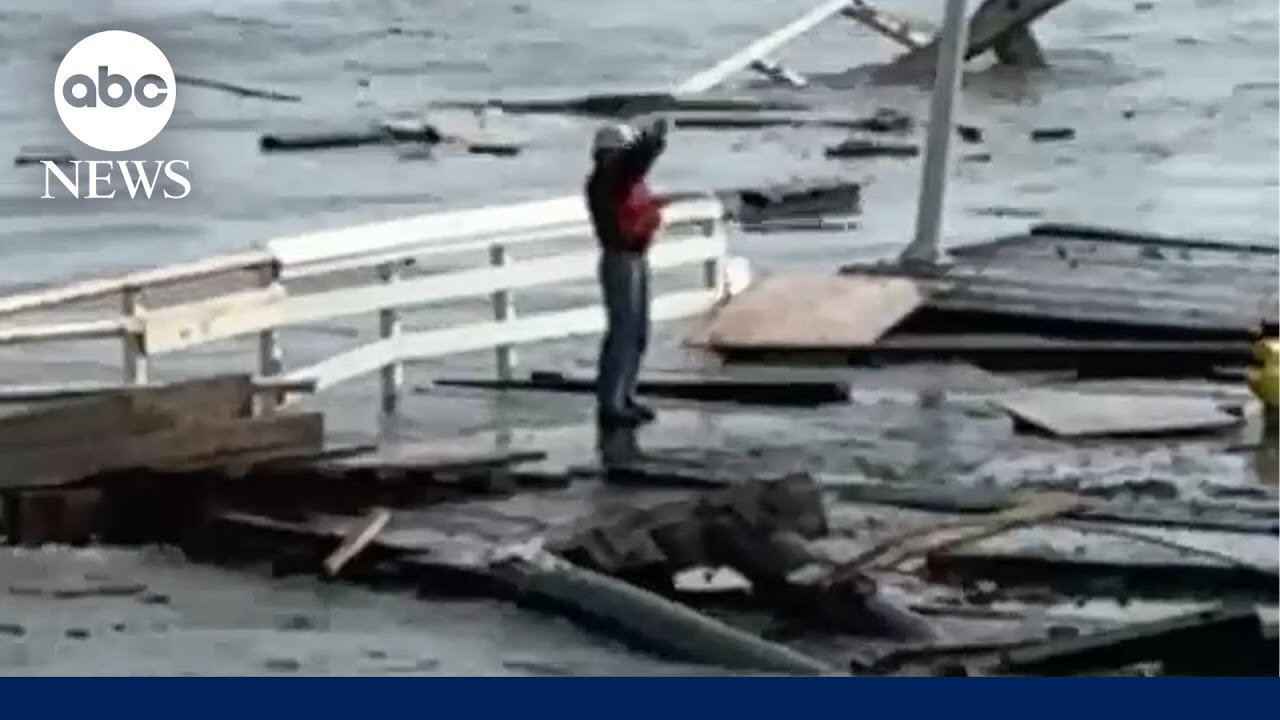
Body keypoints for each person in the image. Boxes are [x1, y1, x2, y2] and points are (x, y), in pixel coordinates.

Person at [584, 116, 670, 428]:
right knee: (624, 333)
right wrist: (652, 143)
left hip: (634, 256)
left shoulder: (616, 178)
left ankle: (624, 396)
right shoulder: (610, 175)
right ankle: (612, 403)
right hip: (621, 259)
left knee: (636, 333)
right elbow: (636, 161)